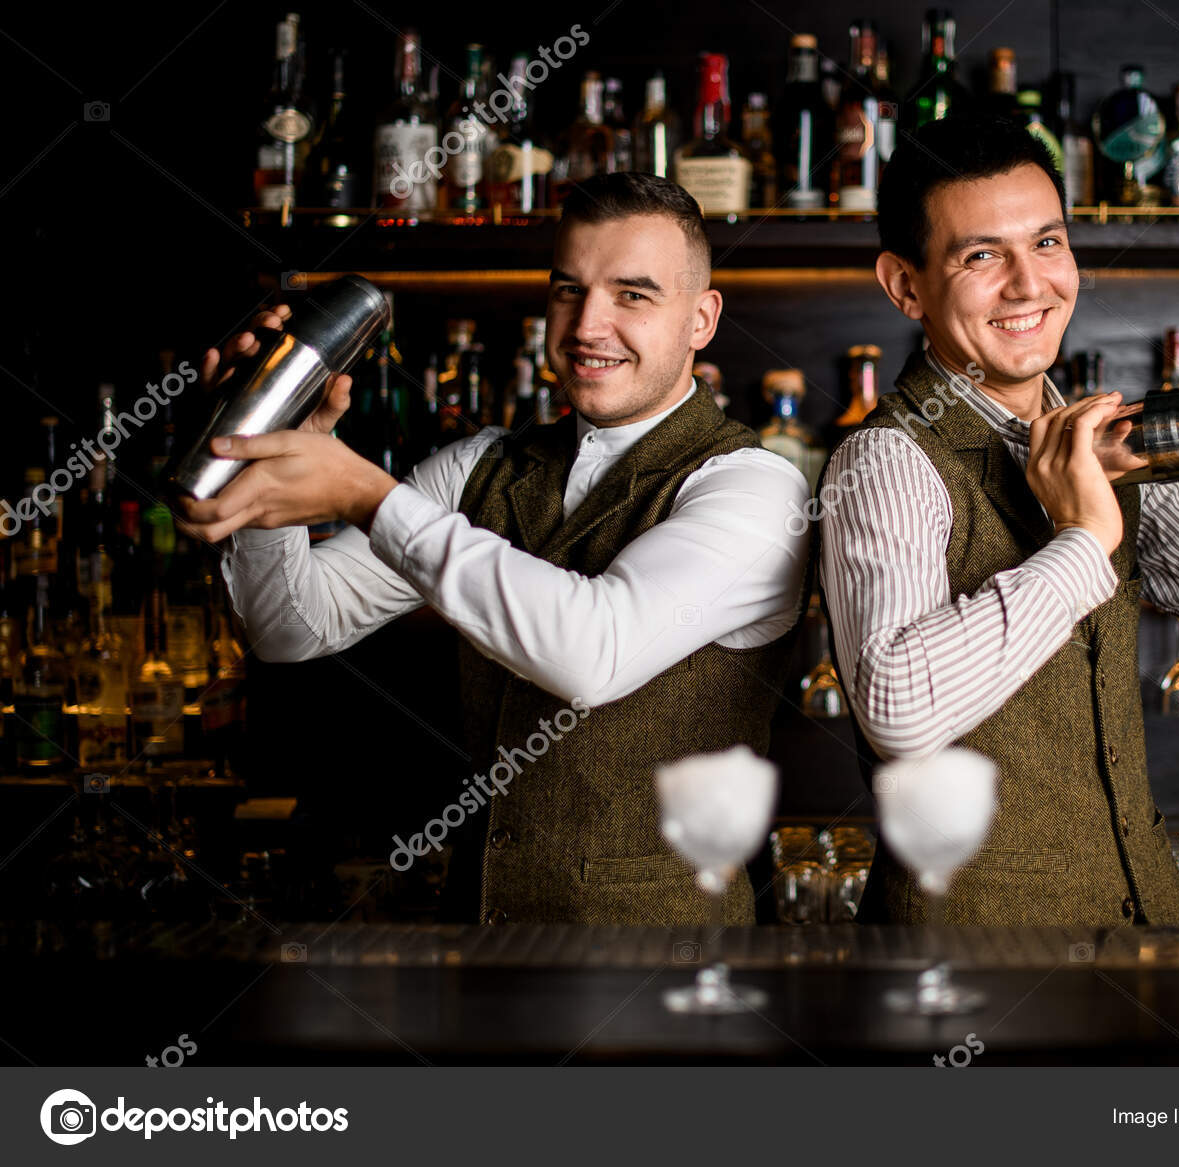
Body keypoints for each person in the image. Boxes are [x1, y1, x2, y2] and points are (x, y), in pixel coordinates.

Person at [180, 172, 810, 926]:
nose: (587, 326)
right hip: (482, 955)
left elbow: (591, 650)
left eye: (632, 295)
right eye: (568, 290)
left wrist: (368, 495)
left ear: (701, 318)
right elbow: (290, 627)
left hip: (664, 979)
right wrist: (273, 459)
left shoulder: (754, 489)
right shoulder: (480, 466)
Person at [819, 115, 1179, 926]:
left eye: (1047, 244)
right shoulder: (886, 462)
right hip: (968, 972)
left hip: (1141, 946)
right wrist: (1083, 541)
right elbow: (900, 710)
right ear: (905, 285)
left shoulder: (1107, 444)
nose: (1028, 284)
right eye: (982, 255)